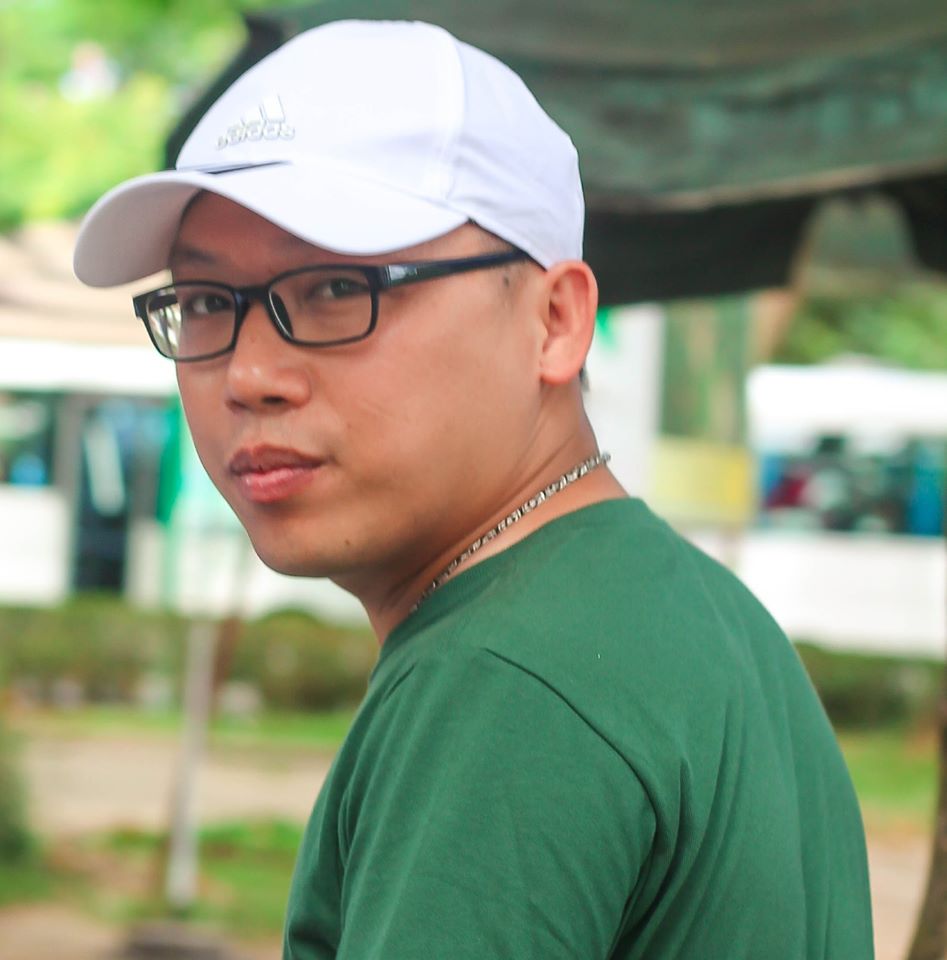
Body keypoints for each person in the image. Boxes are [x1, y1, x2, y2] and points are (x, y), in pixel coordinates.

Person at [74, 19, 874, 959]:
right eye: (208, 303)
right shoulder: (697, 618)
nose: (250, 375)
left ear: (554, 321)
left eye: (337, 289)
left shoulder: (500, 682)